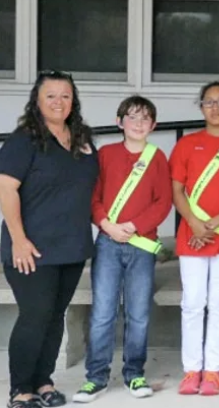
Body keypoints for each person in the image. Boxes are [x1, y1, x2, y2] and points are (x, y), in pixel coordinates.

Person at [0, 70, 98, 408]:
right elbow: (6, 188)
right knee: (35, 315)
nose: (59, 102)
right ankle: (21, 389)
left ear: (74, 100)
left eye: (65, 95)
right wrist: (18, 239)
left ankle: (43, 381)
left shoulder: (81, 138)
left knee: (56, 316)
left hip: (70, 246)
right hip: (31, 247)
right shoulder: (23, 140)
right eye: (51, 96)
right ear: (37, 101)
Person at [72, 96, 172, 403]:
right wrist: (107, 224)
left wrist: (134, 226)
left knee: (138, 312)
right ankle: (96, 377)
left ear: (153, 126)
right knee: (103, 312)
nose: (138, 124)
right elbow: (94, 196)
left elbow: (163, 201)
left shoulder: (156, 158)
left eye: (145, 119)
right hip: (108, 242)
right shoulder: (106, 154)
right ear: (120, 122)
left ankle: (134, 373)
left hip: (141, 245)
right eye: (132, 117)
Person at [170, 82, 219, 396]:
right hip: (192, 234)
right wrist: (194, 222)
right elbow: (177, 190)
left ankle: (213, 371)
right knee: (192, 303)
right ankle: (192, 370)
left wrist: (211, 224)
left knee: (218, 302)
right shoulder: (187, 144)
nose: (215, 108)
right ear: (201, 107)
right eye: (209, 102)